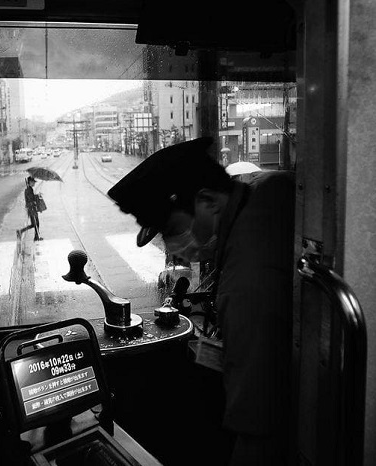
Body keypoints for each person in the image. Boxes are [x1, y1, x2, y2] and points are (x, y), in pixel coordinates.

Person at [108, 137, 294, 465]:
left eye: (172, 230)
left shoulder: (246, 281)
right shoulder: (264, 188)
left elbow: (257, 432)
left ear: (208, 200)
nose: (174, 247)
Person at [17, 176, 43, 241]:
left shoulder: (30, 189)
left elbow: (32, 197)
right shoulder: (28, 190)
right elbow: (31, 199)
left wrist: (37, 195)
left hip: (31, 208)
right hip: (31, 209)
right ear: (30, 182)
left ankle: (22, 232)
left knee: (34, 224)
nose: (34, 183)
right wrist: (37, 197)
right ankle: (35, 237)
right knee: (36, 223)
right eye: (33, 182)